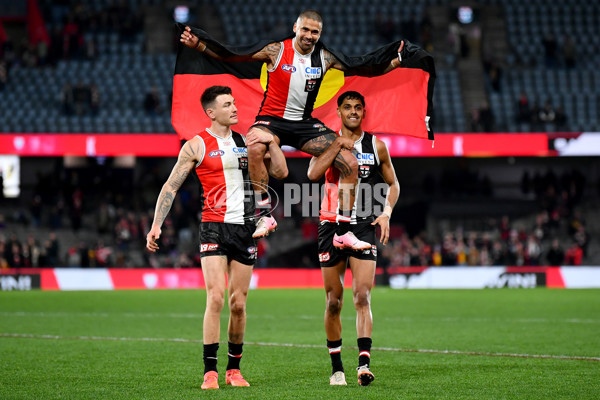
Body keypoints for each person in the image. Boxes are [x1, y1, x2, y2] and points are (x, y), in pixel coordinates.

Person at [180, 9, 404, 251]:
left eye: (315, 32)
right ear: (295, 28)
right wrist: (201, 46)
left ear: (320, 34)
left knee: (350, 162)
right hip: (271, 120)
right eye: (305, 29)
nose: (309, 35)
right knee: (254, 146)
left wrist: (396, 61)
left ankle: (343, 231)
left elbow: (364, 67)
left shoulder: (325, 58)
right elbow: (234, 56)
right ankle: (264, 213)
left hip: (305, 124)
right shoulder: (276, 50)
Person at [146, 86, 287, 390]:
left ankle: (233, 370)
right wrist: (157, 224)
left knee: (238, 303)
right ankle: (210, 371)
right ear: (211, 112)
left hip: (244, 228)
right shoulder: (196, 145)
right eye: (227, 104)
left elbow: (277, 173)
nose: (235, 108)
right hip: (213, 226)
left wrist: (272, 143)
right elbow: (171, 186)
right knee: (216, 298)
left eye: (234, 102)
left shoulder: (247, 141)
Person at [306, 91, 400, 386]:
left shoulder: (376, 146)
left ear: (364, 112)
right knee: (334, 301)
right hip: (330, 224)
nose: (353, 111)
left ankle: (363, 364)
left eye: (358, 107)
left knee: (362, 296)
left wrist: (385, 213)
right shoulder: (326, 142)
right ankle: (336, 368)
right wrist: (335, 146)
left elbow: (393, 183)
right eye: (347, 107)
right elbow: (313, 173)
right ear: (338, 112)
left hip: (362, 228)